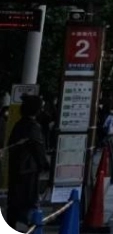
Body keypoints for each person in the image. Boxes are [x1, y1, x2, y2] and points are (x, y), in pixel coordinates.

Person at [5, 95, 51, 233]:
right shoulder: (33, 126)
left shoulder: (19, 124)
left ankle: (13, 225)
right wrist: (45, 165)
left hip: (16, 167)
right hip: (28, 169)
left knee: (15, 199)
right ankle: (25, 227)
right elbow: (38, 148)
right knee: (28, 200)